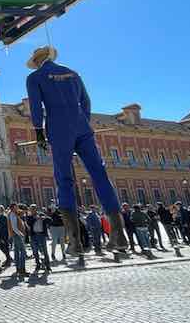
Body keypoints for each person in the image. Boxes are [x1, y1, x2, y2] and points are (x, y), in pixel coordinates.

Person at [25, 45, 129, 257]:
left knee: (64, 180)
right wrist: (82, 122)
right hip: (83, 128)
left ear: (37, 61)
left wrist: (39, 132)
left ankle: (74, 242)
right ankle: (118, 235)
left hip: (58, 130)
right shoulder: (73, 73)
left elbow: (36, 108)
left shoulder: (35, 77)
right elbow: (86, 101)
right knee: (100, 175)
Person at [25, 204, 52, 273]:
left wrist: (45, 218)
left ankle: (47, 265)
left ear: (36, 209)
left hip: (41, 235)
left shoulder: (41, 214)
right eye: (31, 209)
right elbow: (29, 223)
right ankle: (38, 264)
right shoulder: (29, 217)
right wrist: (35, 218)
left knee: (44, 250)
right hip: (33, 235)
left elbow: (50, 220)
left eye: (34, 209)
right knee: (35, 251)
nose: (33, 210)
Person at [7, 203, 27, 275]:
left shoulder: (13, 214)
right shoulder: (12, 214)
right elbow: (14, 227)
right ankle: (22, 269)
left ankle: (18, 268)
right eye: (16, 207)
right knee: (23, 252)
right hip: (17, 235)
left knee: (16, 252)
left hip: (16, 235)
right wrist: (20, 234)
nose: (17, 208)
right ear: (12, 208)